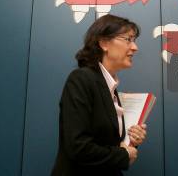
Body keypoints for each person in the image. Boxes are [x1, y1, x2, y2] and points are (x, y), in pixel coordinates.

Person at [51, 14, 148, 175]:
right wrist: (123, 155)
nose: (134, 47)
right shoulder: (81, 79)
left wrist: (130, 142)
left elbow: (107, 144)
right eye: (128, 39)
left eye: (134, 40)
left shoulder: (111, 89)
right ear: (104, 43)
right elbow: (78, 146)